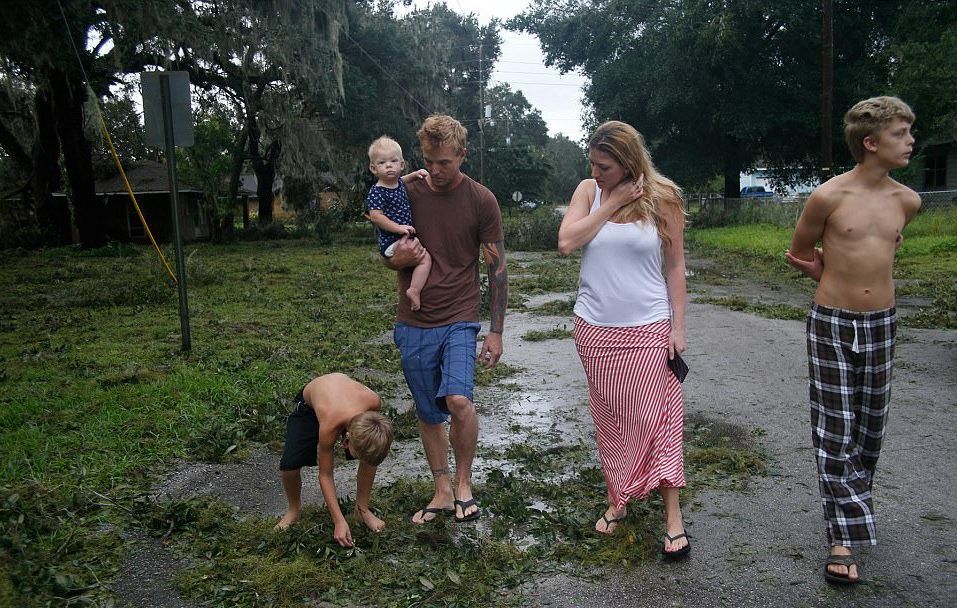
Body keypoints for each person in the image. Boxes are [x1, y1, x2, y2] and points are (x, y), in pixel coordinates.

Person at [786, 96, 920, 585]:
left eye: (909, 132)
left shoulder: (908, 201)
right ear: (870, 142)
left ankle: (853, 503)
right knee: (835, 428)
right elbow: (800, 252)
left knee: (869, 429)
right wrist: (829, 273)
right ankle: (842, 536)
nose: (910, 141)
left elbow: (886, 245)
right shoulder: (827, 197)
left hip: (882, 323)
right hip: (832, 322)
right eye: (900, 134)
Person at [557, 120, 690, 559]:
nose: (595, 173)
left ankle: (673, 517)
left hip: (649, 327)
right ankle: (620, 499)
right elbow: (566, 242)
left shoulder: (664, 197)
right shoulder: (589, 192)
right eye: (593, 164)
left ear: (629, 163)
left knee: (659, 420)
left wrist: (678, 327)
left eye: (605, 167)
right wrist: (611, 201)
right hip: (594, 329)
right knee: (612, 420)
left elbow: (675, 267)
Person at [384, 114, 508, 525]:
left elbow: (497, 268)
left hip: (459, 316)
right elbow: (387, 251)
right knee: (428, 411)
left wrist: (496, 331)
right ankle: (441, 488)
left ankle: (463, 482)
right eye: (429, 161)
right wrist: (394, 260)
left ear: (462, 155)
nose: (435, 171)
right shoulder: (406, 193)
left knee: (458, 401)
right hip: (414, 319)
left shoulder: (481, 200)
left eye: (445, 163)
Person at [276, 373, 394, 548]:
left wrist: (366, 457)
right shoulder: (330, 425)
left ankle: (362, 509)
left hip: (343, 402)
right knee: (290, 466)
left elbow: (370, 451)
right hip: (310, 406)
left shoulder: (374, 402)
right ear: (346, 440)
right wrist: (338, 520)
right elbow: (325, 475)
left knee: (370, 452)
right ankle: (294, 510)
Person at [365, 136, 432, 311]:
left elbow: (405, 179)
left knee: (422, 258)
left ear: (401, 165)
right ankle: (413, 290)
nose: (389, 165)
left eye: (393, 161)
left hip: (402, 238)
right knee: (424, 258)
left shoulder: (398, 183)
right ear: (373, 168)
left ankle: (412, 290)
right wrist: (398, 228)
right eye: (382, 162)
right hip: (391, 241)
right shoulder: (377, 191)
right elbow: (376, 217)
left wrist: (416, 174)